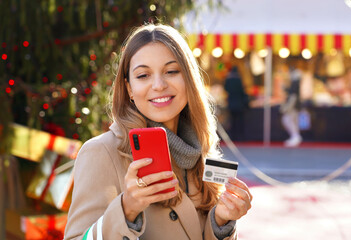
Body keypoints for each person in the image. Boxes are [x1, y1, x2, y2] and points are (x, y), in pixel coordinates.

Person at [64, 23, 252, 240]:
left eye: (171, 71)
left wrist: (220, 223)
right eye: (143, 75)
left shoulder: (199, 149)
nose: (159, 85)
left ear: (189, 79)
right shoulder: (102, 152)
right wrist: (127, 209)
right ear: (129, 89)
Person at [224, 66, 249, 142]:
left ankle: (233, 137)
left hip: (231, 103)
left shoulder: (228, 79)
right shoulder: (239, 79)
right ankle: (241, 137)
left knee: (233, 121)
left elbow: (226, 89)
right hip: (239, 104)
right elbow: (243, 91)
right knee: (240, 122)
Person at [280, 66, 303, 147]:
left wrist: (288, 106)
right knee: (291, 121)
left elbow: (293, 96)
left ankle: (295, 136)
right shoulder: (295, 82)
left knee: (288, 120)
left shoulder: (295, 82)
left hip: (293, 105)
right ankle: (295, 136)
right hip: (294, 105)